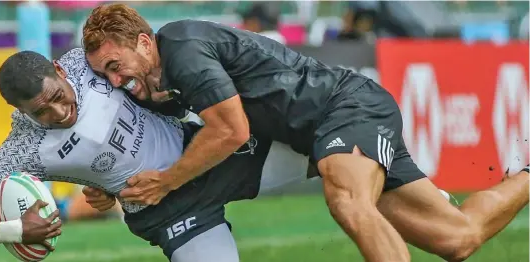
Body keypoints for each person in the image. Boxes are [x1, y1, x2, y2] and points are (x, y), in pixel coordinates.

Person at [81, 4, 530, 262]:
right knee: (457, 238)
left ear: (143, 42)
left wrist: (168, 181)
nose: (115, 80)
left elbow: (231, 131)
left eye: (116, 67)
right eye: (105, 74)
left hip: (346, 108)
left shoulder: (180, 48)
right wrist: (103, 186)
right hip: (325, 131)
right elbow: (128, 141)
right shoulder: (153, 81)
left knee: (347, 202)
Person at [0, 48, 305, 262]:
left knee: (335, 157)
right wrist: (15, 230)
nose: (59, 113)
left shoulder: (85, 61)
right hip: (168, 211)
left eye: (58, 97)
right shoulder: (23, 146)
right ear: (19, 111)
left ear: (60, 70)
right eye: (41, 112)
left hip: (203, 154)